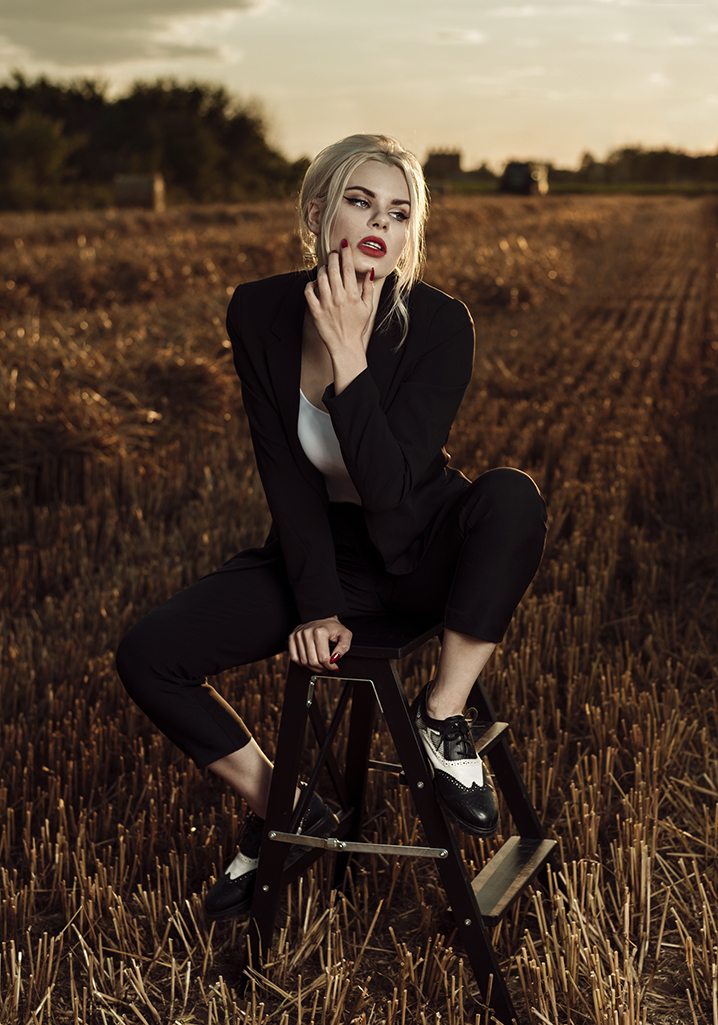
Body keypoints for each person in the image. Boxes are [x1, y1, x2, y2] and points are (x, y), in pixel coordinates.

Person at [116, 133, 547, 923]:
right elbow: (284, 472)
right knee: (149, 653)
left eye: (400, 211)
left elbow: (390, 488)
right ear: (318, 212)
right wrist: (317, 603)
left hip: (421, 549)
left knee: (512, 495)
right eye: (360, 200)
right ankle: (286, 803)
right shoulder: (259, 311)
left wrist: (350, 359)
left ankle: (441, 717)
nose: (381, 222)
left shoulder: (441, 324)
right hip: (323, 553)